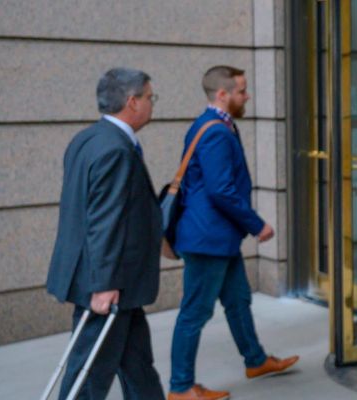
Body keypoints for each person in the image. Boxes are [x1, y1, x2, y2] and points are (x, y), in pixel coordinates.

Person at [167, 66, 297, 400]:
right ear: (222, 94)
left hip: (218, 238)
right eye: (241, 91)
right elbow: (221, 190)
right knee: (195, 312)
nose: (247, 96)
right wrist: (257, 225)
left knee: (237, 300)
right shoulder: (215, 132)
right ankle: (181, 387)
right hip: (208, 239)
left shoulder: (215, 126)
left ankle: (256, 361)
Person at [45, 67, 165, 400]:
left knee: (138, 366)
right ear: (132, 102)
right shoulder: (115, 150)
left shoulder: (88, 139)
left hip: (117, 281)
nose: (152, 104)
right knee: (90, 374)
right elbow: (104, 220)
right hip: (108, 284)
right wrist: (104, 285)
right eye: (150, 97)